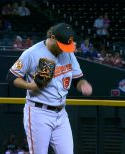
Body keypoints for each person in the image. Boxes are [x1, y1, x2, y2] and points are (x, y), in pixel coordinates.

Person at [7, 23, 92, 154]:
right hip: (38, 113)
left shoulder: (68, 54)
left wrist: (83, 85)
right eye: (62, 45)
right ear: (52, 37)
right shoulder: (32, 53)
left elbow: (77, 79)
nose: (64, 49)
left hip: (61, 113)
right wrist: (30, 86)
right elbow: (12, 77)